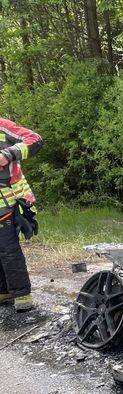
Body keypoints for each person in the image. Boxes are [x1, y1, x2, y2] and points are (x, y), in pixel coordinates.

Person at [0, 117, 42, 312]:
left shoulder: (2, 126)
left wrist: (9, 153)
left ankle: (22, 294)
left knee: (8, 249)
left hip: (7, 202)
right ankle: (4, 291)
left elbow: (34, 139)